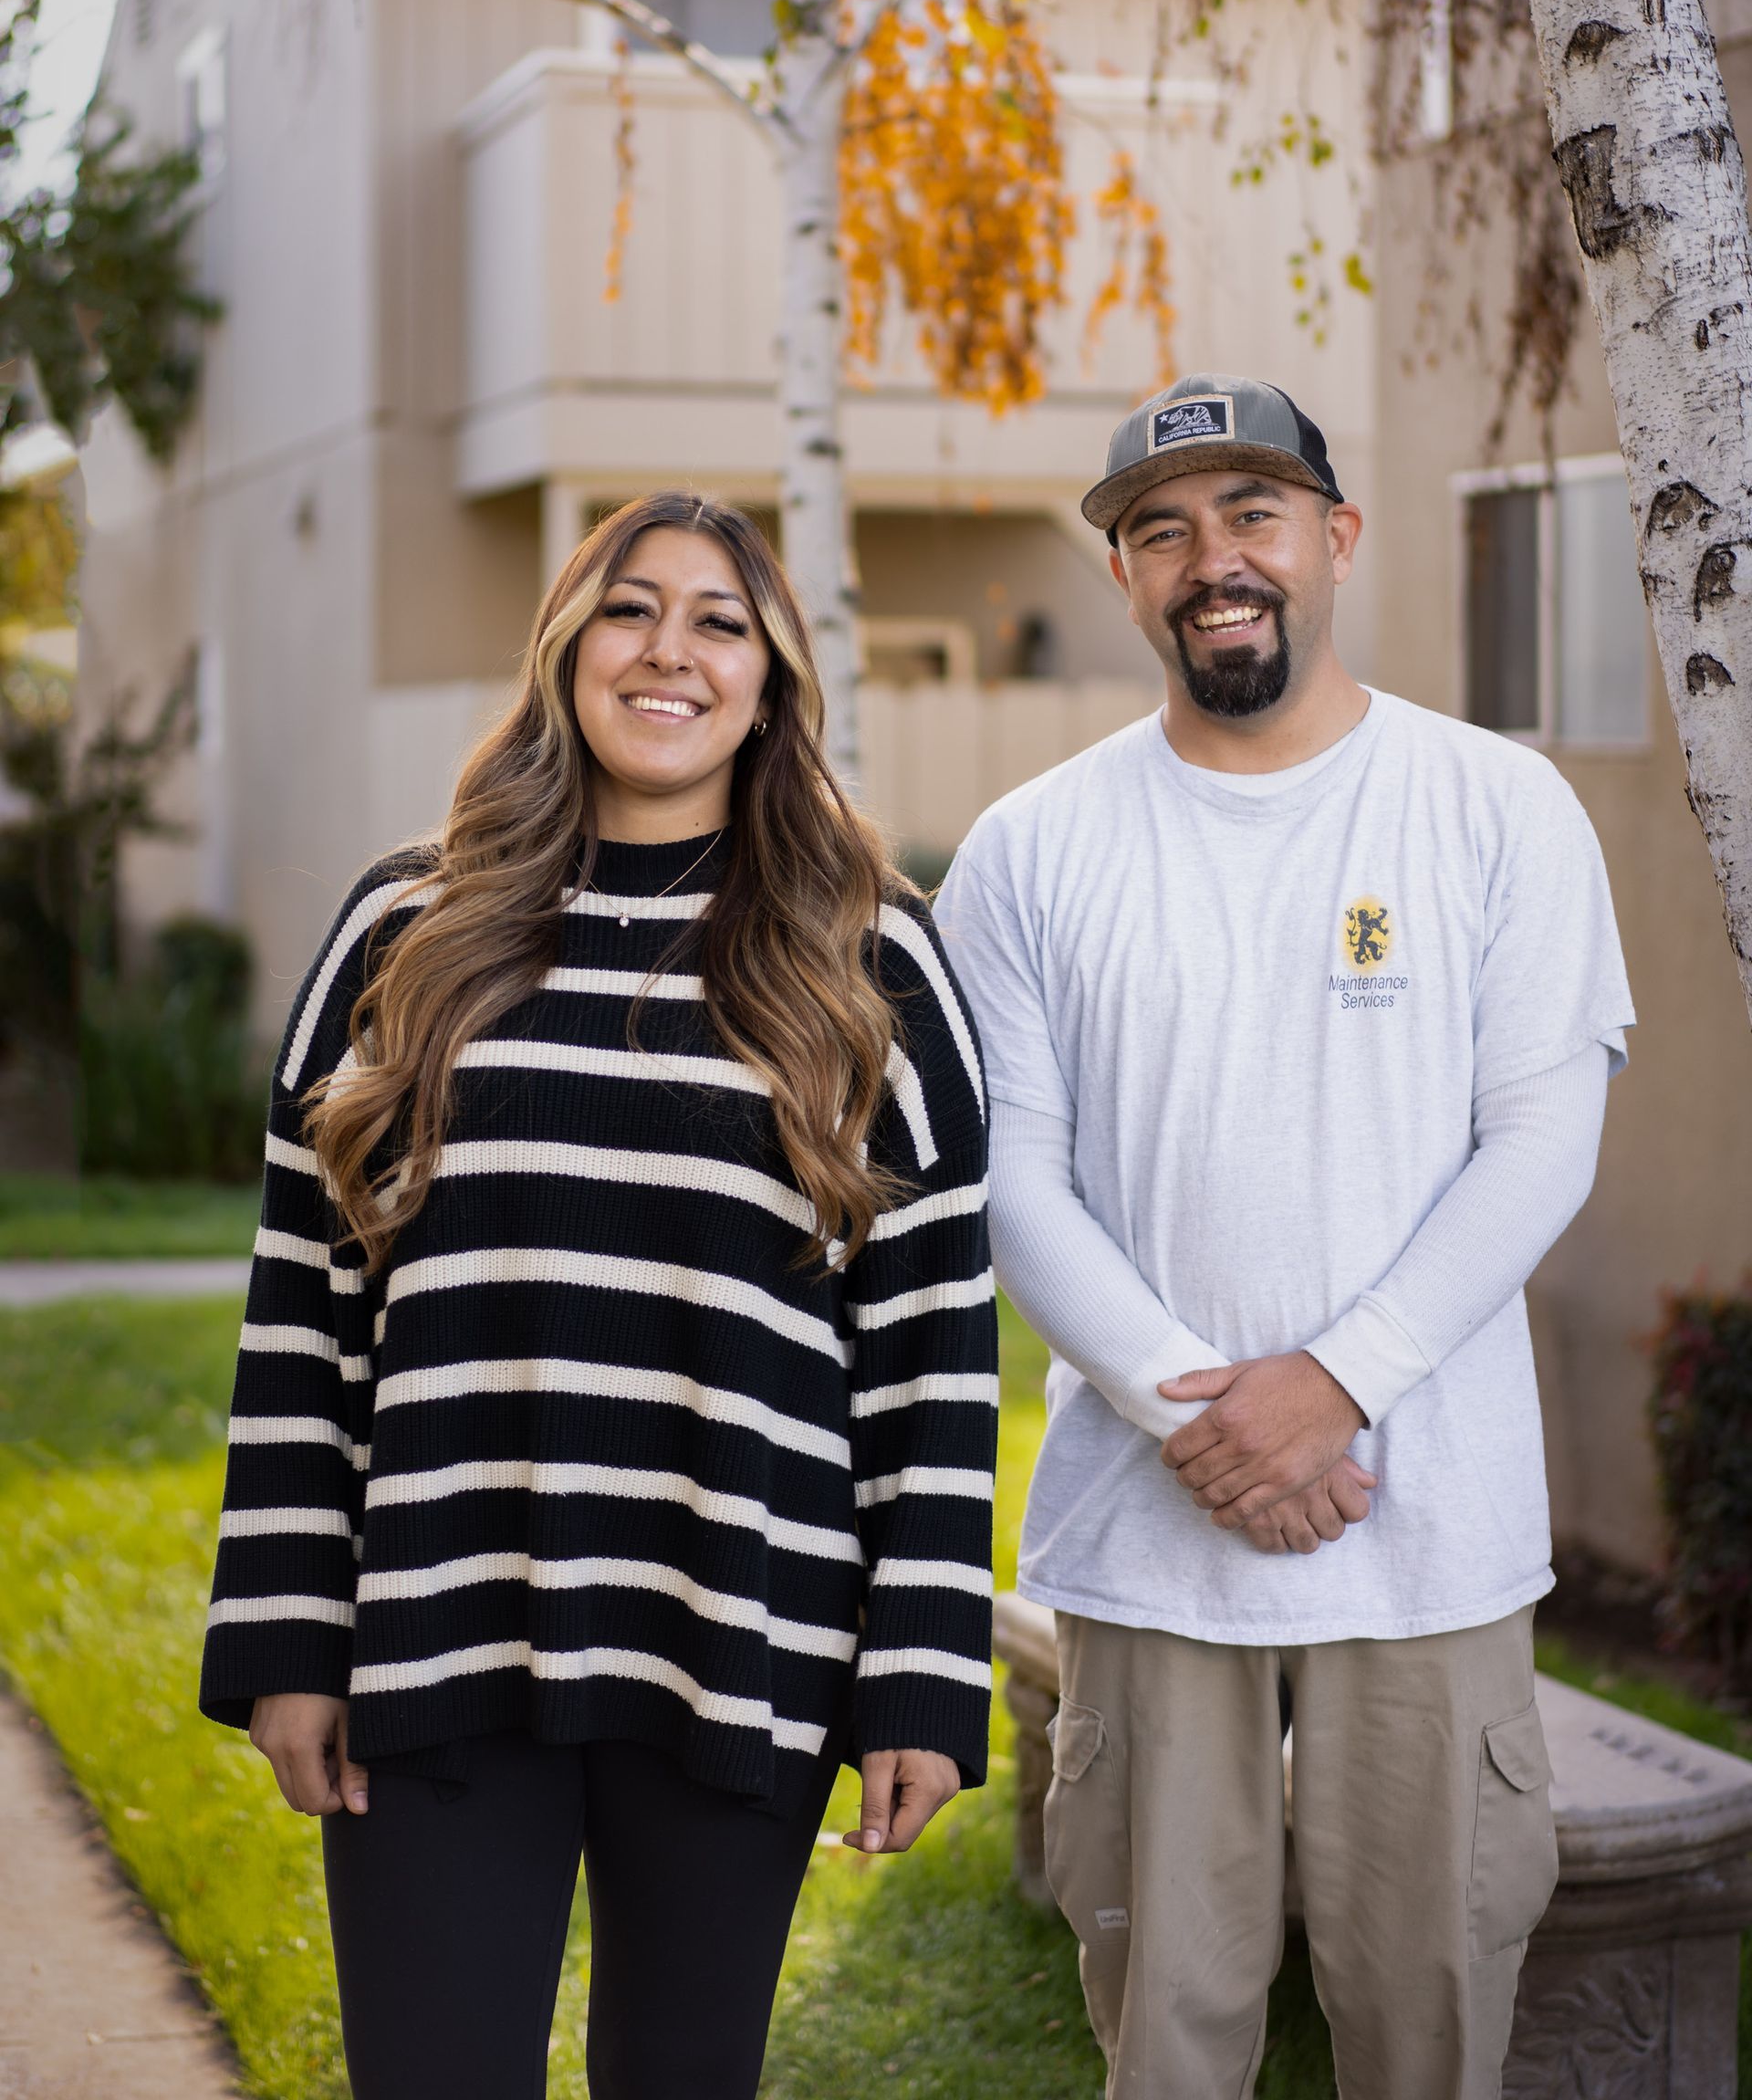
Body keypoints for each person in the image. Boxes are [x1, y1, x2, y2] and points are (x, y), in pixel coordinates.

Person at [200, 491, 996, 2100]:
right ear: (567, 650)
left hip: (740, 1631)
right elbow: (302, 1310)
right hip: (434, 1635)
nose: (671, 652)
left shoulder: (870, 955)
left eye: (721, 621)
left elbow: (932, 1350)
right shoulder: (403, 929)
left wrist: (918, 1668)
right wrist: (288, 1626)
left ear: (771, 679)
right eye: (632, 609)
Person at [935, 373, 1632, 2100]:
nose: (1212, 560)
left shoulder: (1496, 807)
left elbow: (1540, 1139)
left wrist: (1336, 1385)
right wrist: (1208, 1419)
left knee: (1430, 2026)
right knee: (1166, 2042)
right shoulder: (1030, 852)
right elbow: (1012, 1178)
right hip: (1151, 1543)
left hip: (1428, 1529)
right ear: (1124, 579)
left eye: (1253, 516)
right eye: (1160, 530)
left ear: (1336, 537)